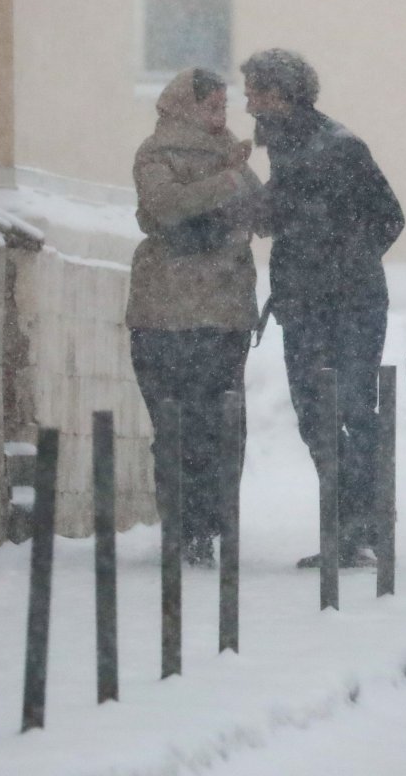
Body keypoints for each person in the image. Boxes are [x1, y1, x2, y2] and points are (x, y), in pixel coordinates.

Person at [241, 49, 404, 568]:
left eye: (255, 92)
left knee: (353, 408)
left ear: (283, 94)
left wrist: (342, 267)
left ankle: (366, 526)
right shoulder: (286, 148)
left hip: (347, 304)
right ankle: (348, 529)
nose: (248, 103)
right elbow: (283, 219)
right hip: (305, 305)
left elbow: (389, 216)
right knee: (315, 415)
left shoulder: (339, 148)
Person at [127, 68, 264, 566]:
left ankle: (211, 526)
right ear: (186, 106)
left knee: (221, 427)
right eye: (212, 107)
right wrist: (225, 181)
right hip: (167, 315)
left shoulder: (230, 152)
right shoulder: (157, 152)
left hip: (223, 315)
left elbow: (261, 211)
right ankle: (186, 528)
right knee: (177, 426)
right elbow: (165, 207)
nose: (220, 117)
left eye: (223, 108)